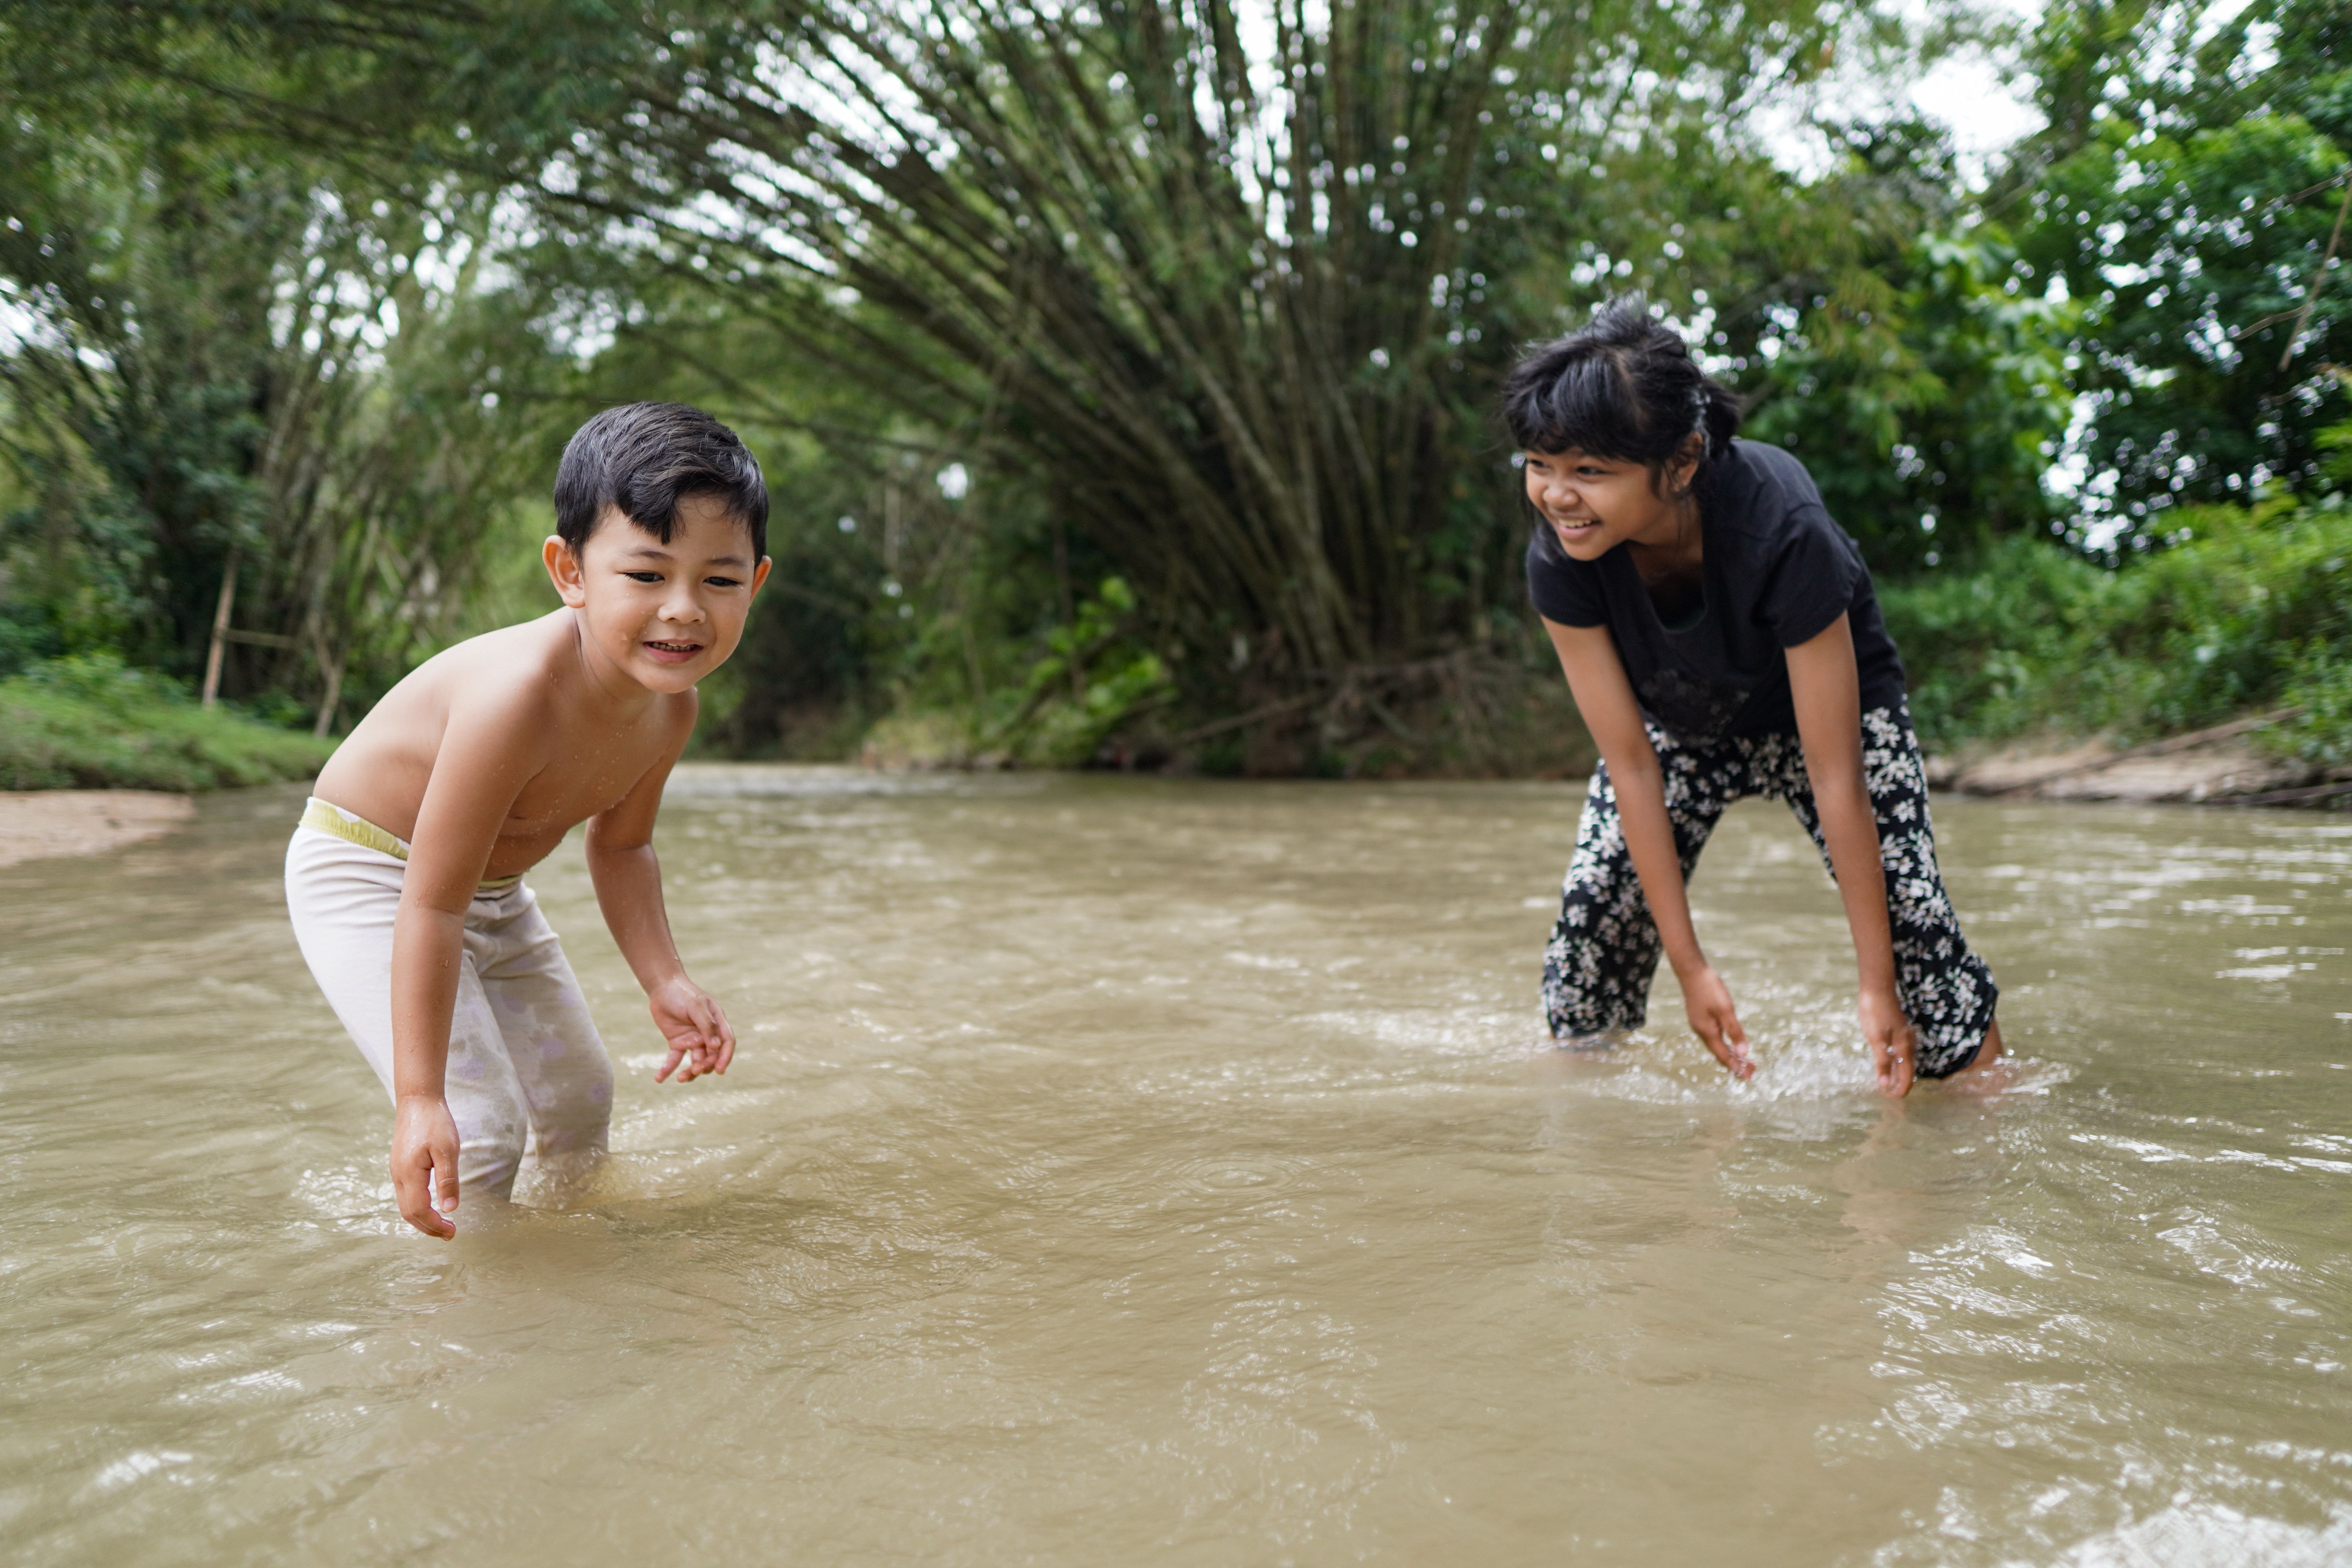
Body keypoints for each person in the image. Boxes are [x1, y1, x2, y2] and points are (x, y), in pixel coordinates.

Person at [285, 402, 772, 1236]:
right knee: (478, 1131)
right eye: (648, 575)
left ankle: (561, 1272)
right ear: (570, 571)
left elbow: (622, 845)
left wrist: (666, 978)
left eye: (718, 580)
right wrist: (419, 1099)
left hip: (490, 888)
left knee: (581, 1097)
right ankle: (456, 1319)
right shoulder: (514, 699)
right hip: (371, 873)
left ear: (754, 583)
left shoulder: (672, 709)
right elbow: (431, 903)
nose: (685, 608)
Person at [1504, 302, 2001, 1097]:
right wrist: (1691, 966)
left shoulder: (1783, 525)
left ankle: (1987, 1100)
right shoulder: (1561, 559)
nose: (1558, 495)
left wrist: (1876, 986)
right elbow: (1632, 765)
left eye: (1590, 472)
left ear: (1684, 460)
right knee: (1594, 918)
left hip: (1824, 721)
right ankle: (1586, 1126)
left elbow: (1836, 775)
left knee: (1913, 924)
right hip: (1681, 729)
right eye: (1539, 464)